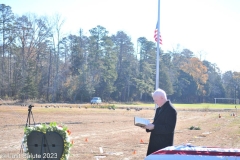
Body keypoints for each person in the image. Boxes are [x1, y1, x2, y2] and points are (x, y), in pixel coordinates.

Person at [142, 88, 177, 156]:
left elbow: (169, 128)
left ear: (162, 98)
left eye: (156, 100)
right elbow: (156, 124)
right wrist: (148, 126)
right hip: (155, 143)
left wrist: (154, 127)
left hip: (163, 145)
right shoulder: (159, 109)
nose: (155, 102)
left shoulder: (171, 110)